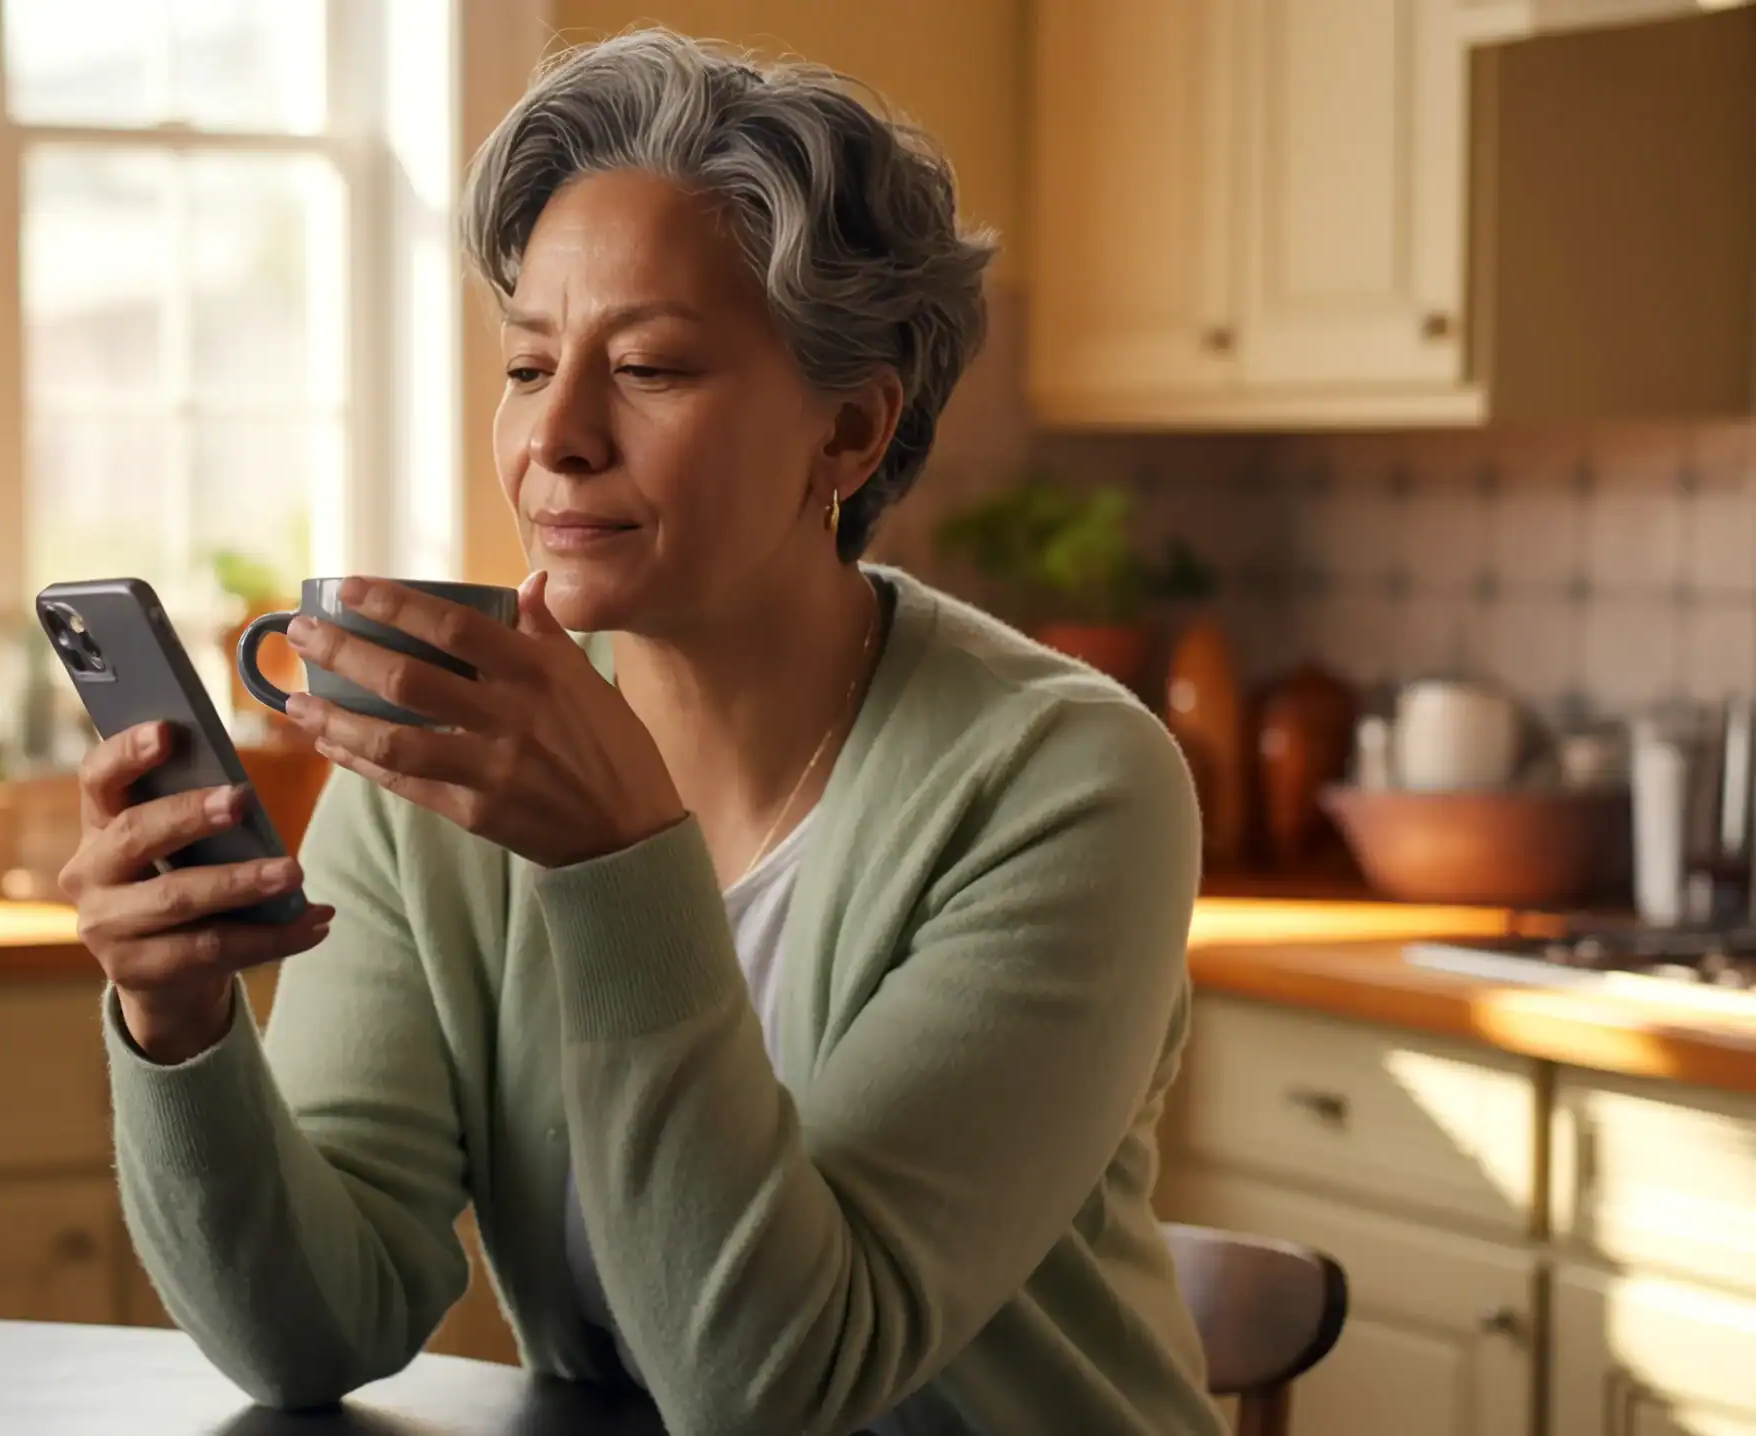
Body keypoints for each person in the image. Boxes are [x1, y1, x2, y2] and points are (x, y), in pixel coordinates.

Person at [62, 27, 1224, 1436]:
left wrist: (618, 865)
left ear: (850, 433)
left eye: (653, 367)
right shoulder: (444, 761)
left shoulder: (1068, 785)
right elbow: (310, 1334)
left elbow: (776, 1383)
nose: (556, 436)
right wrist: (181, 1028)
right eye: (527, 364)